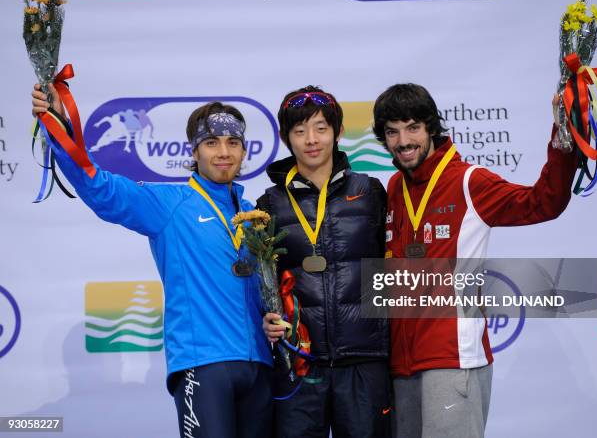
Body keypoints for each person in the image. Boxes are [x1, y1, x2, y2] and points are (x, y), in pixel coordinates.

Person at [31, 83, 273, 438]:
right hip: (202, 365)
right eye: (212, 143)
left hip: (259, 368)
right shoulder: (169, 204)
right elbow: (102, 189)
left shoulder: (255, 214)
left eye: (232, 143)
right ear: (194, 150)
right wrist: (60, 126)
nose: (223, 152)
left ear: (243, 150)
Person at [374, 83, 578, 438]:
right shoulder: (393, 187)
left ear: (431, 128)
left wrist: (564, 134)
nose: (403, 141)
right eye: (392, 132)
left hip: (452, 357)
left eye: (413, 128)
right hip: (400, 363)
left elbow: (545, 202)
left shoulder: (470, 181)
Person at [259, 86, 391, 438]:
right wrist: (266, 318)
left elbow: (394, 265)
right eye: (299, 131)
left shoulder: (370, 192)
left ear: (338, 132)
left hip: (364, 359)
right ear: (287, 138)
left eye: (320, 128)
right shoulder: (269, 204)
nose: (311, 140)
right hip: (300, 363)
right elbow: (263, 282)